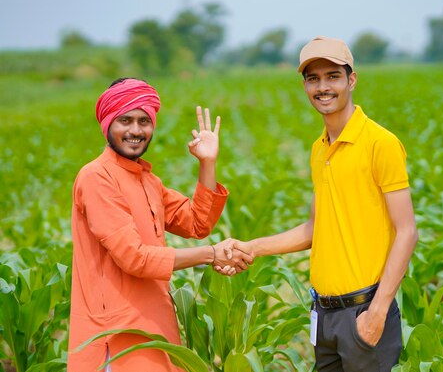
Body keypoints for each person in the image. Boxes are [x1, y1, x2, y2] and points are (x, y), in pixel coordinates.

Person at [221, 36, 419, 371]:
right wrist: (252, 247)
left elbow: (407, 231)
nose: (322, 87)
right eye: (313, 79)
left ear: (351, 79)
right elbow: (316, 228)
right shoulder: (319, 148)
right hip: (324, 317)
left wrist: (378, 312)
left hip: (364, 312)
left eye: (332, 76)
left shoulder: (380, 143)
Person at [67, 78, 251, 371]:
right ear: (107, 124)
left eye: (144, 121)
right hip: (117, 336)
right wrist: (212, 254)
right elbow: (134, 258)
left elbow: (196, 223)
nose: (136, 130)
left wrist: (207, 162)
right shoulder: (96, 178)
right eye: (125, 120)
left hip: (156, 327)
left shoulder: (148, 180)